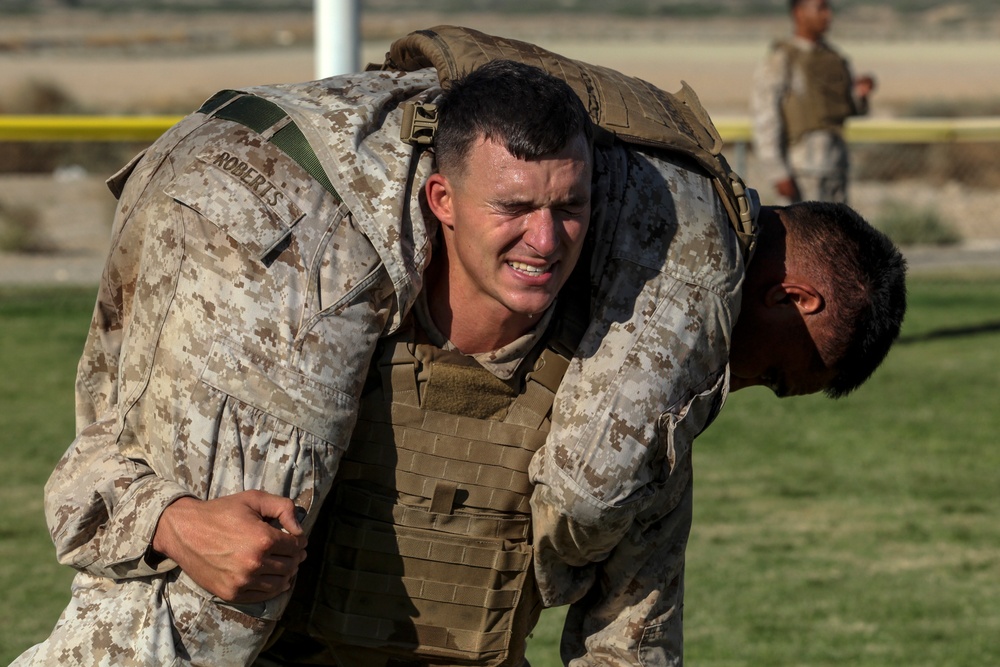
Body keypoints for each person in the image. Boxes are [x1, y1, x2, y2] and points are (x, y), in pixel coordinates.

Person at [14, 26, 907, 667]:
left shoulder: (657, 189)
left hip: (209, 154)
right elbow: (593, 486)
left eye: (566, 211)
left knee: (157, 499)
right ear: (798, 296)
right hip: (273, 215)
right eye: (778, 372)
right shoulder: (700, 250)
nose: (737, 385)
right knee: (227, 588)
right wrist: (530, 550)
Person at [750, 0, 876, 204]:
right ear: (799, 13)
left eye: (828, 8)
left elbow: (848, 108)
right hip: (801, 170)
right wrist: (777, 172)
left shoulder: (833, 58)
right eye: (820, 8)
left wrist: (861, 94)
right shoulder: (782, 59)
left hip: (835, 166)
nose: (828, 15)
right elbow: (766, 117)